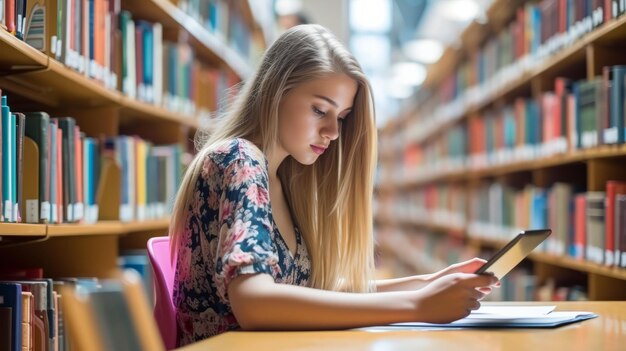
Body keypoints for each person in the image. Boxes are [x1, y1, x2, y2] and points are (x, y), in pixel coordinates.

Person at [168, 24, 498, 346]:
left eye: (340, 117)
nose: (333, 132)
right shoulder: (239, 159)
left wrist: (426, 284)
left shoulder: (281, 181)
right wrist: (418, 306)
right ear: (275, 91)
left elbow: (309, 292)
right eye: (319, 110)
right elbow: (255, 303)